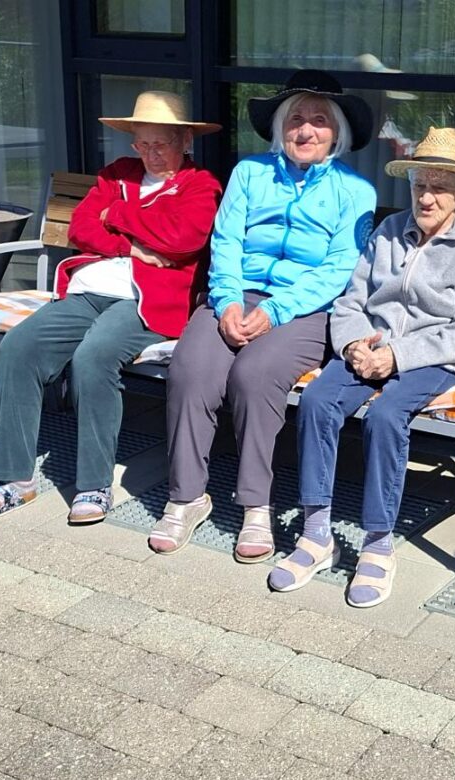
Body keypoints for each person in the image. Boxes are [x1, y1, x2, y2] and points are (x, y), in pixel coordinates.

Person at [150, 70, 377, 561]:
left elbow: (340, 269)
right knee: (191, 368)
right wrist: (228, 300)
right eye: (296, 119)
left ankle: (256, 505)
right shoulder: (249, 173)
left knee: (254, 374)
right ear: (280, 127)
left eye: (320, 120)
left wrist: (275, 310)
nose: (306, 130)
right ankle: (186, 497)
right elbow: (227, 242)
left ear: (337, 132)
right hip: (236, 294)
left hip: (306, 309)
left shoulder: (355, 190)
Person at [0, 91, 222, 525]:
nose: (150, 154)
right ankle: (13, 480)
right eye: (142, 143)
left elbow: (183, 240)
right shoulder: (117, 173)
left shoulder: (201, 184)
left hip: (149, 300)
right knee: (20, 346)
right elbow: (81, 228)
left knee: (94, 356)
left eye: (160, 144)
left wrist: (117, 214)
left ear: (185, 141)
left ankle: (94, 484)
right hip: (89, 289)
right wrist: (134, 246)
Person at [274, 127, 455, 607]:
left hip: (437, 357)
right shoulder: (390, 230)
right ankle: (316, 533)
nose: (426, 197)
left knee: (385, 415)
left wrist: (397, 356)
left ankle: (378, 543)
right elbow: (351, 300)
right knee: (318, 399)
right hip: (372, 345)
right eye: (420, 184)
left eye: (440, 187)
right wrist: (354, 345)